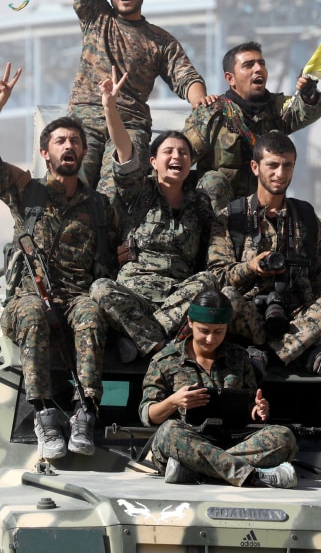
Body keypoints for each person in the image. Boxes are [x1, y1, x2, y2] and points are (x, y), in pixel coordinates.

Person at [67, 0, 215, 204]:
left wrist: (200, 99)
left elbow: (186, 76)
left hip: (129, 126)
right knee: (69, 191)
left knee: (113, 198)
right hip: (85, 123)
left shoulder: (159, 40)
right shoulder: (96, 17)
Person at [0, 63, 120, 460]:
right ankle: (44, 414)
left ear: (84, 151)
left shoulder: (100, 206)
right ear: (44, 151)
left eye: (75, 141)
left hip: (75, 298)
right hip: (26, 298)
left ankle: (85, 412)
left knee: (90, 313)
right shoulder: (26, 191)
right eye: (60, 141)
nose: (68, 147)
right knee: (33, 313)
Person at [90, 68, 220, 362]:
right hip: (133, 296)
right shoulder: (140, 191)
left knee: (209, 282)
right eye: (169, 152)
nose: (177, 157)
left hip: (177, 298)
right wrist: (110, 107)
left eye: (184, 153)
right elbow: (124, 151)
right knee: (100, 289)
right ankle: (162, 348)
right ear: (153, 161)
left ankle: (144, 339)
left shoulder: (199, 202)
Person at [207, 131, 321, 374]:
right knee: (226, 297)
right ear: (255, 167)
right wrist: (250, 267)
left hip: (296, 314)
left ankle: (265, 352)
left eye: (287, 166)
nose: (280, 174)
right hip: (248, 313)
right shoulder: (231, 217)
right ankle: (299, 348)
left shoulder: (306, 217)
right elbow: (216, 277)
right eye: (272, 165)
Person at [139, 289, 298, 488]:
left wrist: (257, 410)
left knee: (283, 437)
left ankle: (193, 468)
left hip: (231, 440)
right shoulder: (165, 361)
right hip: (189, 440)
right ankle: (253, 476)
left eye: (218, 332)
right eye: (204, 331)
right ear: (190, 322)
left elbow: (248, 405)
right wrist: (174, 401)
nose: (210, 339)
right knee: (168, 431)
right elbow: (148, 415)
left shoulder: (239, 357)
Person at [183, 41, 321, 213]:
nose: (258, 69)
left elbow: (305, 112)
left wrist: (308, 94)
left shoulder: (277, 107)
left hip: (261, 210)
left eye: (261, 63)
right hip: (219, 218)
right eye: (248, 65)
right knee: (214, 180)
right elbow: (180, 158)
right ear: (230, 78)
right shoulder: (212, 113)